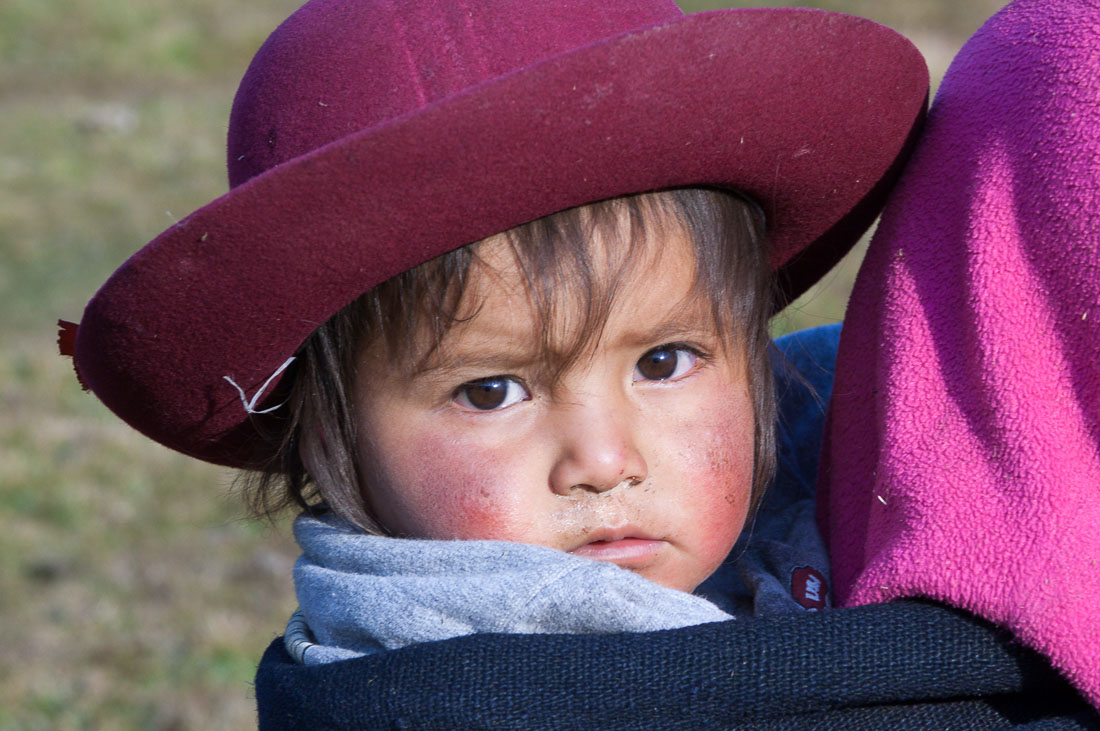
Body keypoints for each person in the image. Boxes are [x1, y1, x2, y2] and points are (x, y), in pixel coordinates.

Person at [59, 0, 930, 724]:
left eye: (664, 361)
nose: (602, 461)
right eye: (491, 389)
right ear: (330, 428)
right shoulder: (446, 690)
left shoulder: (845, 479)